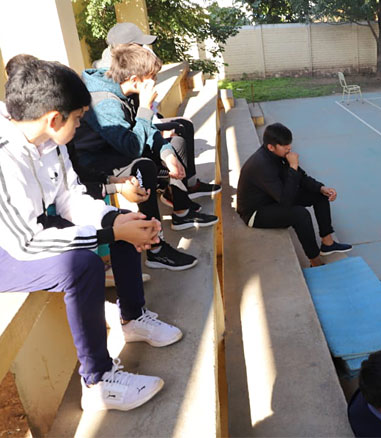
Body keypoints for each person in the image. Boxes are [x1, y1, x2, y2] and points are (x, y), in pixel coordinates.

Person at [0, 58, 182, 411]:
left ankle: (133, 317)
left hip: (32, 227)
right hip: (8, 248)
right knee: (82, 265)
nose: (82, 123)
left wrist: (117, 223)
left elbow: (70, 196)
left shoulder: (49, 137)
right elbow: (23, 243)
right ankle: (98, 382)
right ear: (55, 118)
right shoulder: (5, 156)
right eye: (80, 117)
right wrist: (108, 232)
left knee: (121, 220)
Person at [72, 44, 218, 270]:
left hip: (115, 148)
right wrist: (145, 106)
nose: (155, 82)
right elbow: (132, 147)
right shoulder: (107, 102)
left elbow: (144, 128)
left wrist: (168, 155)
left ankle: (181, 209)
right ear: (134, 79)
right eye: (152, 77)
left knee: (172, 145)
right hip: (94, 162)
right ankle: (156, 249)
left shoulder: (123, 88)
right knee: (144, 167)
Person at [93, 22, 220, 201]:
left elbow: (142, 120)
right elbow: (132, 144)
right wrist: (147, 110)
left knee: (179, 130)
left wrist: (166, 152)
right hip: (120, 153)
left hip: (136, 132)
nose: (144, 48)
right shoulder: (112, 90)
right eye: (139, 45)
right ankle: (178, 202)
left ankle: (186, 189)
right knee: (169, 145)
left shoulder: (129, 79)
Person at [236, 122, 351, 266]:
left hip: (274, 197)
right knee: (300, 215)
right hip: (256, 212)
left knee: (319, 195)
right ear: (271, 147)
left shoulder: (277, 154)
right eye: (285, 146)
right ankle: (315, 260)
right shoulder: (262, 165)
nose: (289, 148)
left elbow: (300, 177)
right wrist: (293, 166)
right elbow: (286, 201)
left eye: (289, 144)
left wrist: (321, 188)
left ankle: (328, 243)